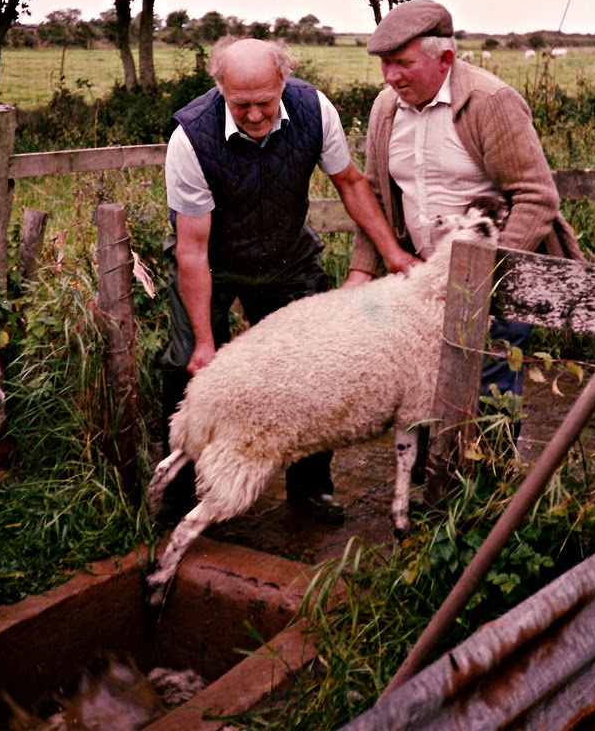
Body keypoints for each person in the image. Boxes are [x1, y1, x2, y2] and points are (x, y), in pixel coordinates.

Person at [158, 37, 418, 525]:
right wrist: (206, 344)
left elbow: (351, 184)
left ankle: (310, 488)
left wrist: (394, 254)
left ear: (283, 82)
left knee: (318, 365)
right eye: (241, 105)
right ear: (221, 91)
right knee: (182, 365)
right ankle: (178, 491)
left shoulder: (314, 109)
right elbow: (192, 250)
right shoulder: (190, 138)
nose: (255, 115)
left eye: (265, 102)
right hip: (213, 259)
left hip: (286, 255)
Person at [346, 0, 583, 402]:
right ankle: (430, 467)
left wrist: (488, 275)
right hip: (420, 281)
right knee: (424, 391)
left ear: (446, 58)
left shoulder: (490, 101)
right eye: (385, 64)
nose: (392, 76)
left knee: (491, 395)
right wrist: (361, 271)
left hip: (493, 279)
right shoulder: (385, 109)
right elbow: (377, 197)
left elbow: (536, 197)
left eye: (403, 62)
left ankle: (492, 467)